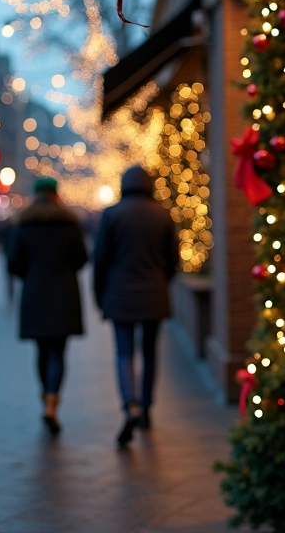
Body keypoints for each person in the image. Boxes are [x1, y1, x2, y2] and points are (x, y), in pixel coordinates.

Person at [93, 165, 178, 447]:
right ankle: (147, 407)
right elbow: (173, 261)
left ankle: (130, 405)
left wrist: (99, 295)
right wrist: (161, 280)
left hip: (119, 295)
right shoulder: (162, 214)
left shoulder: (112, 215)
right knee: (151, 353)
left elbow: (100, 260)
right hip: (154, 294)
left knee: (124, 353)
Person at [8, 177, 88, 435]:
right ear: (56, 195)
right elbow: (82, 258)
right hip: (64, 292)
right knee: (58, 351)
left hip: (35, 292)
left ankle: (45, 396)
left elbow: (14, 263)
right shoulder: (70, 223)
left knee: (42, 350)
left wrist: (31, 276)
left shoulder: (24, 224)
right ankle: (53, 399)